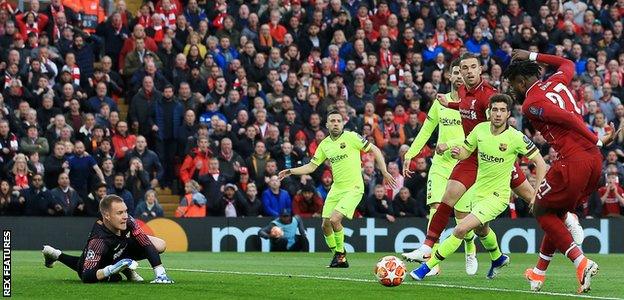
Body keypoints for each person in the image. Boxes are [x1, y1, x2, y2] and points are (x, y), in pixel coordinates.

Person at [402, 53, 582, 270]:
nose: (468, 72)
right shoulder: (463, 92)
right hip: (472, 157)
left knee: (534, 201)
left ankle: (567, 217)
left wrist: (454, 145)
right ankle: (428, 246)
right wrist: (450, 105)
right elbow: (468, 108)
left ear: (480, 70)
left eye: (472, 68)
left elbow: (496, 127)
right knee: (448, 196)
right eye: (464, 68)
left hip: (496, 159)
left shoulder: (489, 95)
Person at [505, 49, 620, 293]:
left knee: (540, 208)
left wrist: (598, 138)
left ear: (521, 82)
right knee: (553, 213)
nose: (513, 89)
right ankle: (538, 273)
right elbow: (567, 62)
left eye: (513, 84)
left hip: (573, 161)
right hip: (593, 162)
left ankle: (581, 261)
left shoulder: (531, 104)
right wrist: (533, 55)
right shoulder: (556, 81)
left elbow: (567, 118)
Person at [411, 94, 548, 281]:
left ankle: (425, 268)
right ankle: (498, 258)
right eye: (495, 110)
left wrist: (535, 195)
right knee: (481, 231)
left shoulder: (516, 137)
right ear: (489, 112)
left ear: (508, 114)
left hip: (497, 196)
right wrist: (459, 153)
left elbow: (541, 163)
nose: (498, 114)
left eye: (502, 110)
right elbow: (468, 151)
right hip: (478, 193)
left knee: (460, 229)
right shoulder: (479, 130)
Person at [278, 110, 396, 268]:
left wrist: (384, 170)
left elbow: (375, 149)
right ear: (326, 124)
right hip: (337, 188)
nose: (335, 123)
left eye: (338, 121)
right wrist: (291, 171)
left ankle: (341, 255)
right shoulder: (325, 144)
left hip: (354, 187)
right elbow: (312, 166)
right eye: (332, 121)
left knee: (334, 220)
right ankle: (338, 256)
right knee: (325, 224)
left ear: (343, 123)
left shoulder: (352, 137)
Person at [402, 58, 478, 276]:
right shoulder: (440, 103)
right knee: (435, 208)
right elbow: (425, 131)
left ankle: (470, 248)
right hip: (441, 165)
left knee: (462, 217)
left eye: (462, 72)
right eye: (455, 72)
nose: (459, 76)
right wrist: (410, 154)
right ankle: (431, 262)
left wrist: (452, 144)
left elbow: (476, 135)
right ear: (450, 76)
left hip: (464, 165)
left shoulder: (471, 104)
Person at [41, 194, 174, 283]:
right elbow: (86, 276)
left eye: (126, 211)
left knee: (159, 245)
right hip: (100, 261)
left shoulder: (128, 221)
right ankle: (56, 254)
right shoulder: (98, 240)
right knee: (113, 277)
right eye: (120, 213)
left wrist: (160, 273)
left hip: (118, 250)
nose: (126, 216)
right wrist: (111, 269)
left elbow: (144, 242)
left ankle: (54, 253)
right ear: (107, 216)